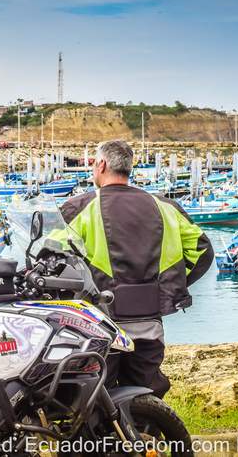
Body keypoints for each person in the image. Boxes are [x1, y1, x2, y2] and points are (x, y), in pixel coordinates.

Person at [60, 140, 213, 397]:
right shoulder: (165, 207)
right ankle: (147, 434)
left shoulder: (79, 208)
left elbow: (51, 255)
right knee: (146, 393)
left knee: (98, 396)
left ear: (101, 165)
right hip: (149, 318)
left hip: (100, 320)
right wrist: (172, 287)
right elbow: (201, 251)